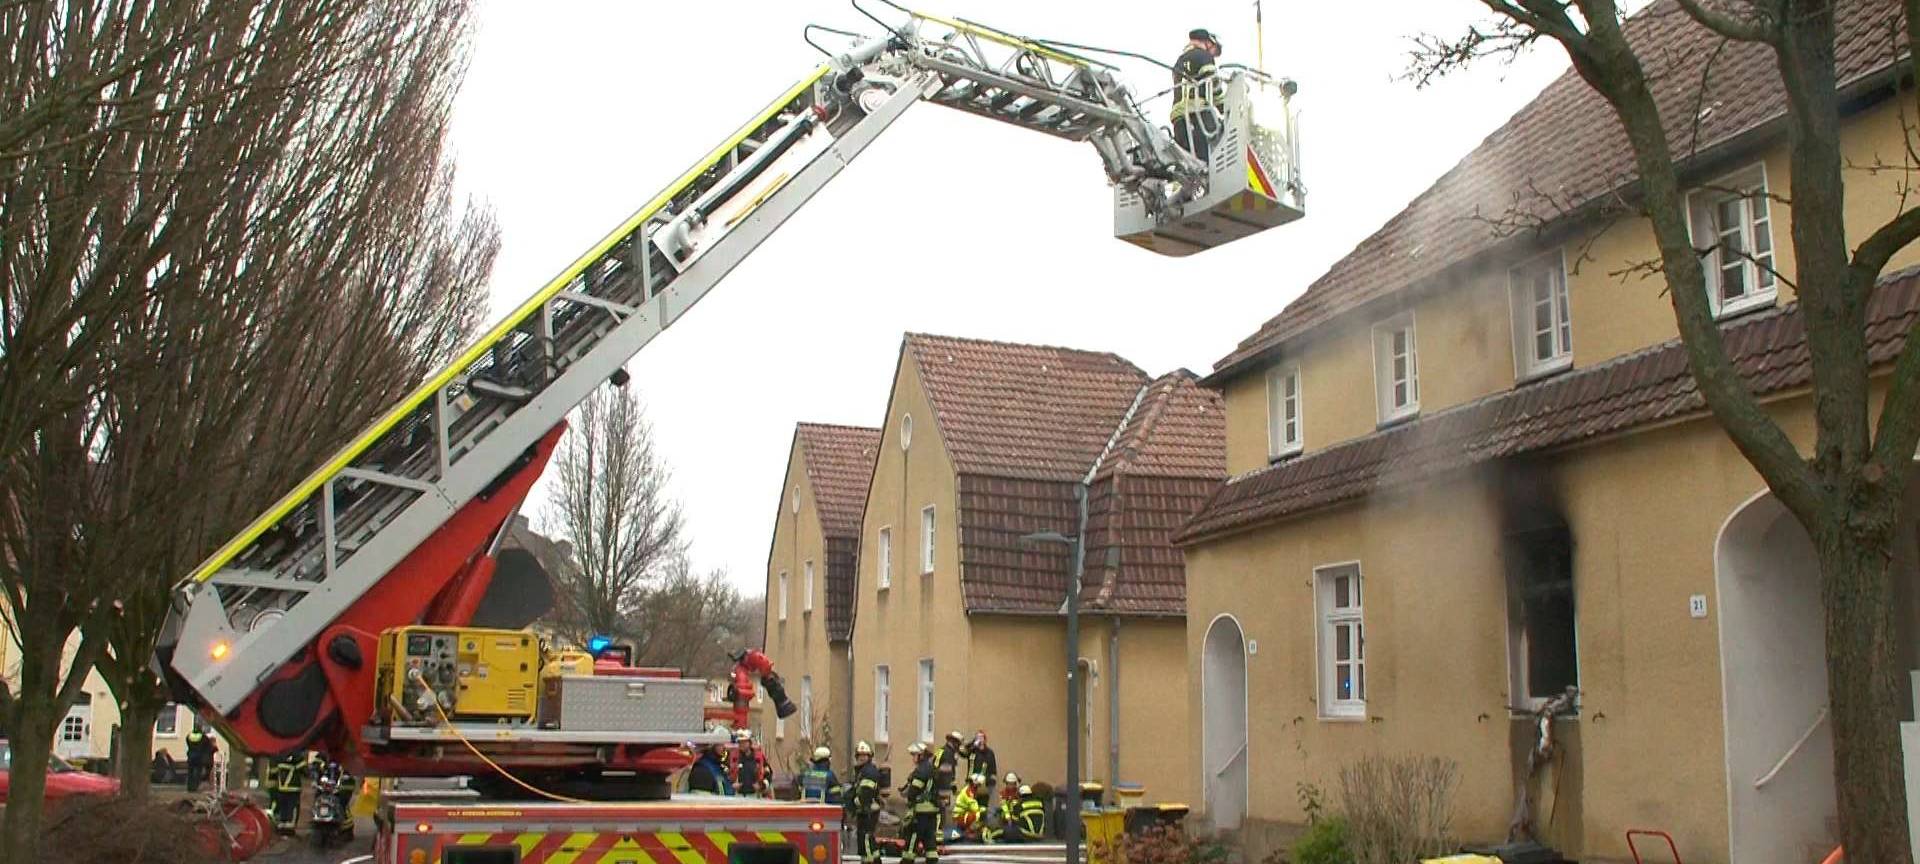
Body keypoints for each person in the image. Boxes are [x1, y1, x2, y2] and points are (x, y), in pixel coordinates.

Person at [1171, 28, 1225, 163]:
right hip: (1197, 115)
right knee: (1210, 158)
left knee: (1188, 165)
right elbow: (1214, 87)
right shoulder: (1204, 56)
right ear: (1207, 42)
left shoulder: (1179, 61)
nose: (1213, 54)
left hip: (1178, 118)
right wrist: (1226, 109)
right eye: (1214, 50)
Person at [901, 742, 942, 864]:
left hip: (920, 812)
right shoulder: (932, 769)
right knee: (930, 843)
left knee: (912, 839)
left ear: (921, 756)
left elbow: (913, 791)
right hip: (933, 811)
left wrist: (908, 795)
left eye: (914, 755)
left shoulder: (921, 770)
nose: (913, 758)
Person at [848, 741, 884, 864]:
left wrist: (854, 802)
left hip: (869, 810)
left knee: (866, 839)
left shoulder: (869, 772)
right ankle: (874, 860)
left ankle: (869, 861)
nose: (861, 757)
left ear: (869, 757)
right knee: (866, 839)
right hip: (864, 811)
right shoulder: (862, 771)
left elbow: (865, 794)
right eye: (859, 755)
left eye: (864, 755)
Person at [264, 752, 308, 836]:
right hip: (293, 788)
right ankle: (288, 827)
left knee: (284, 808)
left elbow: (273, 772)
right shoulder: (296, 755)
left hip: (282, 788)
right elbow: (304, 771)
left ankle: (283, 826)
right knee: (292, 807)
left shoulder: (278, 755)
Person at [932, 731, 962, 831]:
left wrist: (953, 786)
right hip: (941, 787)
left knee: (941, 810)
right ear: (955, 742)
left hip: (940, 786)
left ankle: (939, 830)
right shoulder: (948, 754)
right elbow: (945, 772)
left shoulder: (942, 751)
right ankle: (939, 832)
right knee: (941, 811)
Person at [731, 732, 771, 797]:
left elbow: (769, 774)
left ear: (750, 743)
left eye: (744, 742)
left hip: (755, 795)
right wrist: (732, 784)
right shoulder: (734, 757)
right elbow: (726, 773)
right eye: (740, 742)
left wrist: (762, 785)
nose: (742, 744)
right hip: (738, 795)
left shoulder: (759, 757)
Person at [960, 731, 997, 802]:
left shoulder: (989, 752)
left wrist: (991, 782)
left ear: (985, 739)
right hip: (971, 783)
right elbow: (961, 751)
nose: (979, 739)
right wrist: (972, 743)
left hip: (984, 784)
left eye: (981, 737)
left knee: (983, 805)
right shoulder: (972, 751)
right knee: (970, 804)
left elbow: (993, 769)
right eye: (977, 737)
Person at [950, 774, 986, 841]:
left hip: (962, 814)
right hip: (959, 817)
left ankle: (969, 831)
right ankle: (968, 832)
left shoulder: (970, 789)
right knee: (978, 814)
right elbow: (974, 807)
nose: (980, 787)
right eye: (979, 785)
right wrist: (983, 809)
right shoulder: (969, 792)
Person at [184, 722, 216, 792]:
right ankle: (196, 787)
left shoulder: (189, 736)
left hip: (190, 757)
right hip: (199, 758)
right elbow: (208, 746)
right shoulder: (203, 737)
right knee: (198, 773)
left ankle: (190, 788)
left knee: (190, 773)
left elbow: (188, 743)